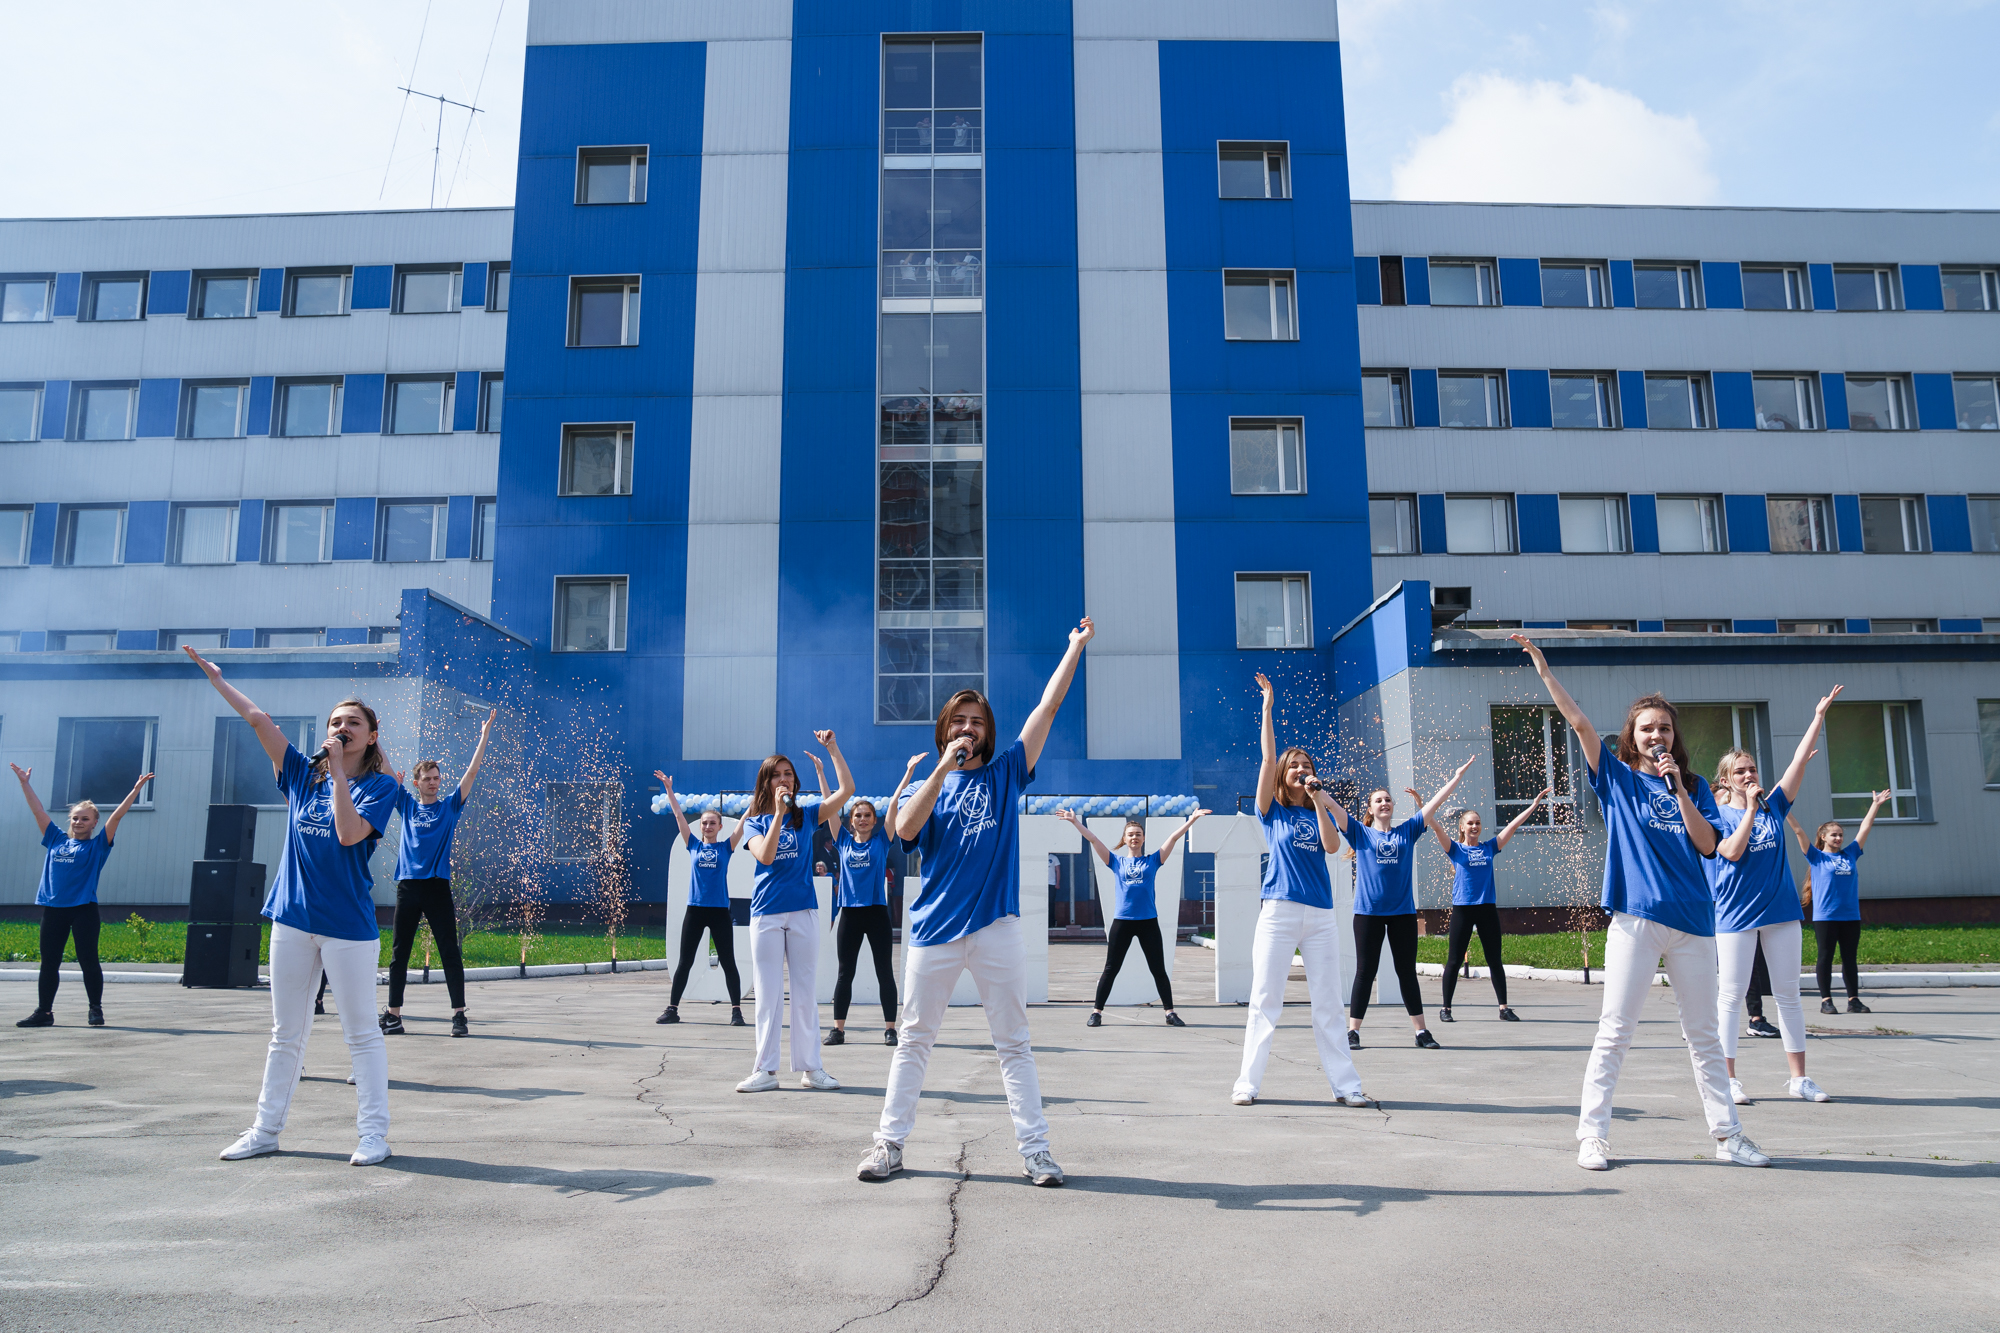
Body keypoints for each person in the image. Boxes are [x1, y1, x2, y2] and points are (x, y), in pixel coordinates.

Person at [1512, 634, 1769, 1172]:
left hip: (1695, 923)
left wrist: (1678, 790)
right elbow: (1580, 724)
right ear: (1632, 736)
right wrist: (1543, 669)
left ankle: (1729, 1136)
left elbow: (1708, 845)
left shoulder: (1694, 787)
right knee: (1615, 1030)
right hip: (1637, 920)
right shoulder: (1618, 779)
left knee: (1703, 1036)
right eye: (1647, 727)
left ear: (1675, 738)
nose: (1657, 734)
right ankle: (1593, 1136)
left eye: (1665, 728)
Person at [858, 618, 1095, 1188]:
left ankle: (1036, 1152)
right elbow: (906, 832)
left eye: (977, 722)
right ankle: (888, 1145)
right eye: (959, 721)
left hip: (995, 928)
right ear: (945, 730)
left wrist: (1074, 648)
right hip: (933, 931)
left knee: (1013, 1042)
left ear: (989, 733)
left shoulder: (1009, 772)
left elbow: (1049, 706)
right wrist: (942, 767)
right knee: (914, 1039)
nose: (968, 728)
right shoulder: (931, 785)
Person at [186, 646, 402, 1167]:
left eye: (352, 722)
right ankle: (265, 1129)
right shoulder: (302, 775)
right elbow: (259, 720)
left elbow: (350, 834)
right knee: (287, 1032)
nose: (341, 726)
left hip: (347, 929)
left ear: (370, 736)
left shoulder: (382, 787)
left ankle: (374, 1135)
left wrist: (340, 777)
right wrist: (218, 679)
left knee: (361, 1034)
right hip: (292, 920)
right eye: (334, 720)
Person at [1229, 672, 1371, 1111]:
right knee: (1265, 999)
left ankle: (1346, 1085)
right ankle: (1247, 1083)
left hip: (1321, 918)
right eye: (1296, 766)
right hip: (1280, 912)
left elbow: (1333, 846)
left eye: (1307, 767)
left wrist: (1321, 800)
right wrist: (1268, 710)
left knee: (1329, 1003)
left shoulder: (1316, 812)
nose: (1301, 770)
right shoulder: (1270, 812)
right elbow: (1268, 759)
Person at [1710, 688, 1839, 1106]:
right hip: (1734, 915)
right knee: (1730, 997)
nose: (1750, 776)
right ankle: (1728, 1080)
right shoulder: (1719, 814)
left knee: (1787, 994)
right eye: (1741, 772)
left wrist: (1817, 716)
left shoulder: (1774, 806)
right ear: (1726, 779)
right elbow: (1732, 850)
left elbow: (1798, 762)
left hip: (1781, 912)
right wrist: (1748, 807)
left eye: (1752, 770)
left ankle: (1799, 1078)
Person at [1325, 762, 1473, 1049]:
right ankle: (1353, 1031)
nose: (1384, 803)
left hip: (1402, 914)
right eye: (1378, 800)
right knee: (1365, 972)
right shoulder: (1359, 832)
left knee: (1406, 972)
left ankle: (1421, 1032)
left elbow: (1435, 802)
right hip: (1368, 914)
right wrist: (1316, 790)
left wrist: (1455, 777)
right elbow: (1332, 806)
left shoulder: (1408, 831)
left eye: (1388, 799)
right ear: (1369, 808)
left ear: (1393, 806)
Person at [736, 733, 852, 1093]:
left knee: (804, 992)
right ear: (766, 783)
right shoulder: (755, 822)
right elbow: (767, 856)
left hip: (803, 912)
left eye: (789, 774)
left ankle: (811, 1068)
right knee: (768, 994)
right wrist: (777, 815)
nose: (784, 779)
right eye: (777, 775)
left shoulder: (809, 815)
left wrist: (832, 750)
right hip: (767, 915)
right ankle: (765, 1071)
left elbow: (846, 791)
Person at [379, 710, 496, 1040]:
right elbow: (386, 769)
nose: (434, 781)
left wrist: (484, 735)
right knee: (399, 952)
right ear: (417, 782)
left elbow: (472, 771)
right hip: (408, 887)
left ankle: (459, 1016)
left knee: (448, 950)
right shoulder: (407, 804)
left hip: (437, 887)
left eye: (437, 777)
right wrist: (375, 735)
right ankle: (393, 1015)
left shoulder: (448, 806)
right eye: (428, 778)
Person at [12, 763, 151, 1028]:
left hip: (83, 909)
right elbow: (37, 810)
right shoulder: (54, 838)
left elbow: (117, 817)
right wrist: (24, 783)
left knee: (88, 960)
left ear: (94, 823)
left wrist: (135, 790)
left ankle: (95, 1010)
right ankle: (44, 1012)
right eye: (75, 818)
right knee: (49, 962)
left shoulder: (99, 845)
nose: (79, 822)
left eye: (85, 819)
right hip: (53, 909)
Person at [1057, 806, 1208, 1028]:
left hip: (1148, 922)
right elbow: (1094, 839)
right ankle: (1096, 1012)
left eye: (1138, 834)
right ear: (1125, 839)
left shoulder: (1153, 861)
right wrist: (1074, 822)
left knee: (1158, 969)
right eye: (1130, 834)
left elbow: (1173, 838)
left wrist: (1192, 820)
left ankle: (1170, 1013)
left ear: (1143, 838)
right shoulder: (1116, 862)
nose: (1134, 837)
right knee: (1111, 968)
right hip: (1123, 922)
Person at [1427, 787, 1548, 1023]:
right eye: (1470, 823)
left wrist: (1533, 806)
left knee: (1494, 960)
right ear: (1462, 827)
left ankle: (1504, 1008)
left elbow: (1512, 826)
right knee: (1454, 960)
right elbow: (1436, 827)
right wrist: (1423, 804)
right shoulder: (1455, 848)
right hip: (1463, 908)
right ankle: (1446, 1009)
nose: (1474, 826)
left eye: (1478, 823)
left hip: (1486, 909)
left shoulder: (1489, 847)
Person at [828, 756, 922, 1047]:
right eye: (858, 815)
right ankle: (838, 1030)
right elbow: (828, 804)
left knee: (885, 972)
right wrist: (822, 771)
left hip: (877, 914)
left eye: (868, 815)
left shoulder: (882, 841)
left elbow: (894, 804)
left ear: (875, 820)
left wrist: (908, 772)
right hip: (850, 915)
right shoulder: (842, 840)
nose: (863, 819)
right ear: (851, 820)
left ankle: (891, 1029)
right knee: (845, 973)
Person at [654, 773, 747, 1027]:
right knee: (685, 961)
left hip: (719, 913)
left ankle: (736, 1011)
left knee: (728, 962)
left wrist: (759, 797)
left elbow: (744, 821)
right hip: (695, 911)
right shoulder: (693, 845)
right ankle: (672, 1009)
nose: (707, 826)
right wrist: (669, 790)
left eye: (712, 823)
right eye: (704, 823)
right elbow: (678, 816)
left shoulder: (726, 847)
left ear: (720, 827)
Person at [1790, 790, 1889, 1015]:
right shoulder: (1816, 856)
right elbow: (1797, 831)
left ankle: (1853, 1000)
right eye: (1834, 835)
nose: (1838, 838)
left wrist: (1875, 805)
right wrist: (1782, 809)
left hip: (1850, 915)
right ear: (1823, 837)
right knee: (1825, 956)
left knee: (1849, 958)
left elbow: (1865, 828)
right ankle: (1826, 1000)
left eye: (1841, 835)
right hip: (1826, 917)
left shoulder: (1851, 853)